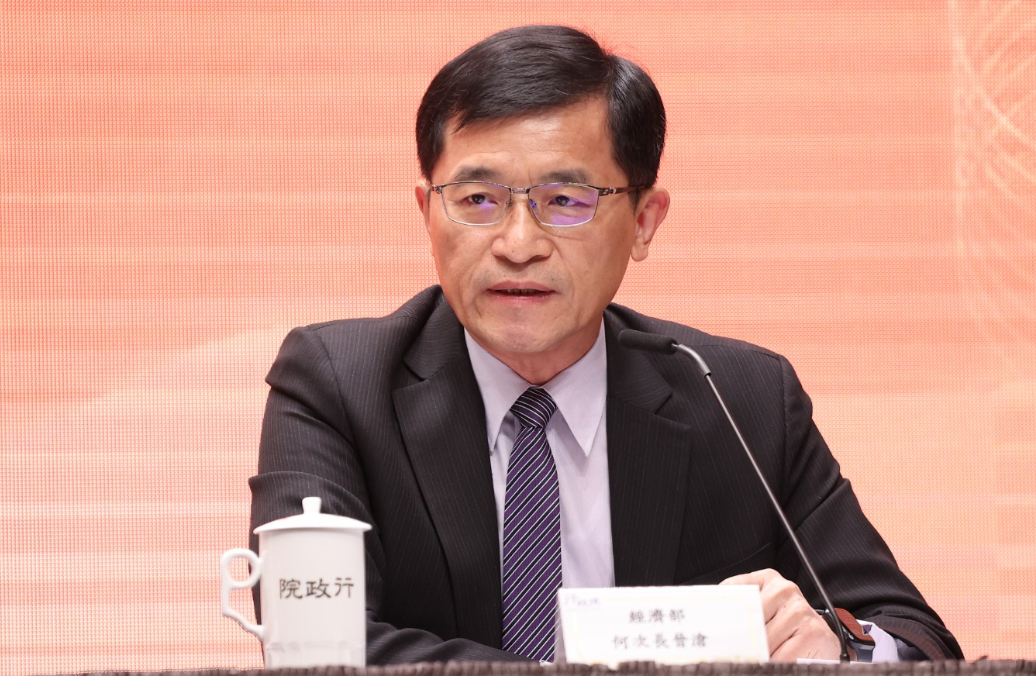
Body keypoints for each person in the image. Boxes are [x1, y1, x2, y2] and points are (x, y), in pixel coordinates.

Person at [249, 24, 962, 664]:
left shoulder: (740, 397)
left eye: (565, 201)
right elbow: (313, 640)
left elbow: (912, 636)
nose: (518, 244)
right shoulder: (339, 386)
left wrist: (839, 646)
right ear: (427, 212)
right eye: (478, 200)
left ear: (645, 221)